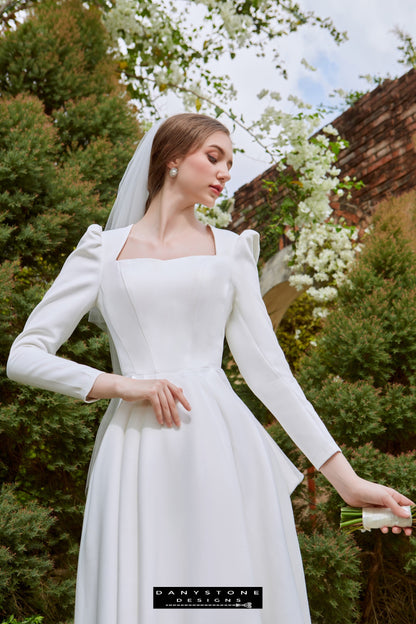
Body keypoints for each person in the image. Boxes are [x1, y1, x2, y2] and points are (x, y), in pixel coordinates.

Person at [7, 113, 413, 624]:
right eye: (213, 157)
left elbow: (270, 374)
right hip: (137, 455)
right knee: (147, 597)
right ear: (172, 159)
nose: (225, 173)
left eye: (230, 163)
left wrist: (348, 483)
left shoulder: (231, 252)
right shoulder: (101, 252)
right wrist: (123, 385)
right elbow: (24, 355)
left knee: (225, 598)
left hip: (219, 449)